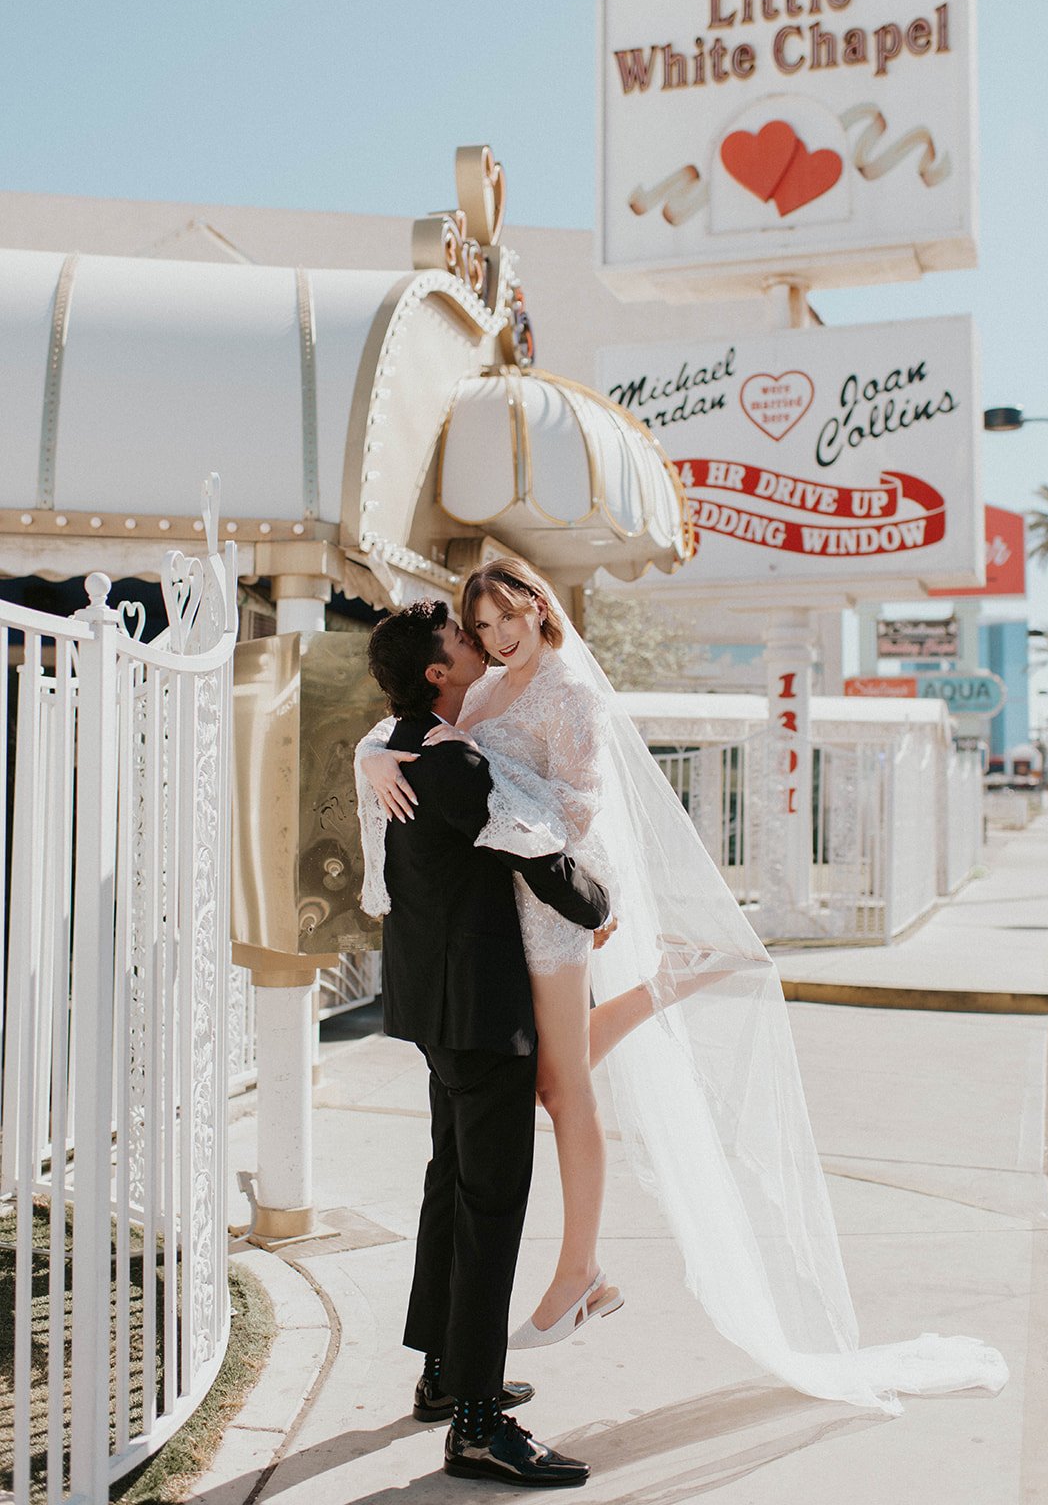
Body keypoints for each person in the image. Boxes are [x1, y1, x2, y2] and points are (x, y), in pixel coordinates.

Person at [358, 558, 1009, 1418]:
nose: (496, 636)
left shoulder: (570, 696)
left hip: (551, 909)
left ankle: (578, 1268)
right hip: (495, 918)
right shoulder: (481, 693)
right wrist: (378, 756)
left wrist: (504, 810)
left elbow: (577, 813)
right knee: (540, 1087)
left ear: (539, 605)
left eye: (506, 616)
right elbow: (411, 731)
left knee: (561, 1088)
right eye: (478, 628)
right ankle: (667, 984)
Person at [364, 598, 614, 1488]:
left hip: (433, 1007)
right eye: (463, 640)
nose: (479, 645)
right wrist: (604, 904)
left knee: (451, 1183)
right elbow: (552, 871)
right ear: (440, 674)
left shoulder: (394, 745)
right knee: (492, 1205)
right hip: (480, 1013)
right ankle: (475, 1424)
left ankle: (442, 1373)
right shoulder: (457, 762)